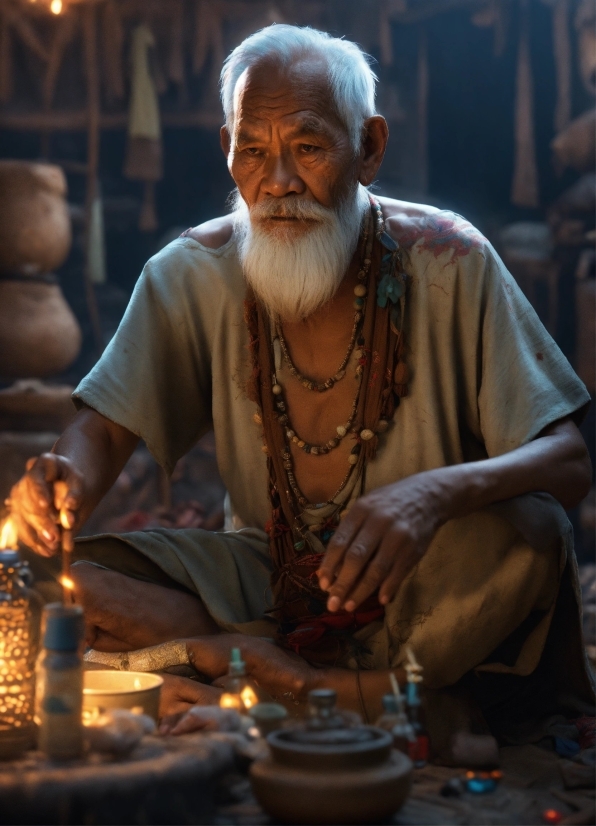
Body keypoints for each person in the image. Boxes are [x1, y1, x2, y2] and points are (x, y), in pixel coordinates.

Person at [9, 25, 594, 736]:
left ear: (370, 148)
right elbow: (101, 428)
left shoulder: (450, 259)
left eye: (308, 148)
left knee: (528, 533)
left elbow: (567, 461)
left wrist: (432, 495)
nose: (278, 181)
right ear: (228, 146)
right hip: (262, 579)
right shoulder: (190, 272)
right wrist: (61, 478)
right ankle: (364, 697)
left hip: (417, 583)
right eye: (253, 151)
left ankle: (266, 680)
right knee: (37, 582)